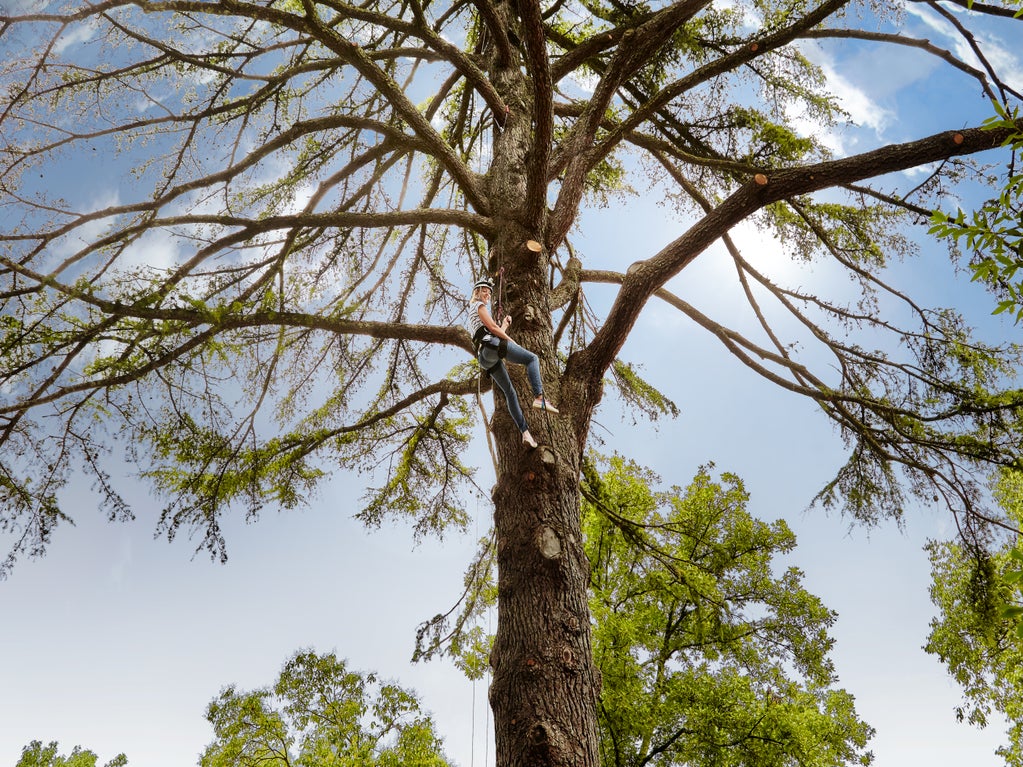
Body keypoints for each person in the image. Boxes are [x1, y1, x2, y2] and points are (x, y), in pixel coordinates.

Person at [467, 277, 558, 448]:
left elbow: (492, 330)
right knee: (532, 358)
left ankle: (525, 434)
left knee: (510, 393)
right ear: (477, 292)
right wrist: (511, 341)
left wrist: (504, 326)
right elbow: (493, 329)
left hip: (485, 357)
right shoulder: (478, 306)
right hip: (491, 346)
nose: (487, 294)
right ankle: (539, 397)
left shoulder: (473, 313)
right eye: (484, 291)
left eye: (489, 292)